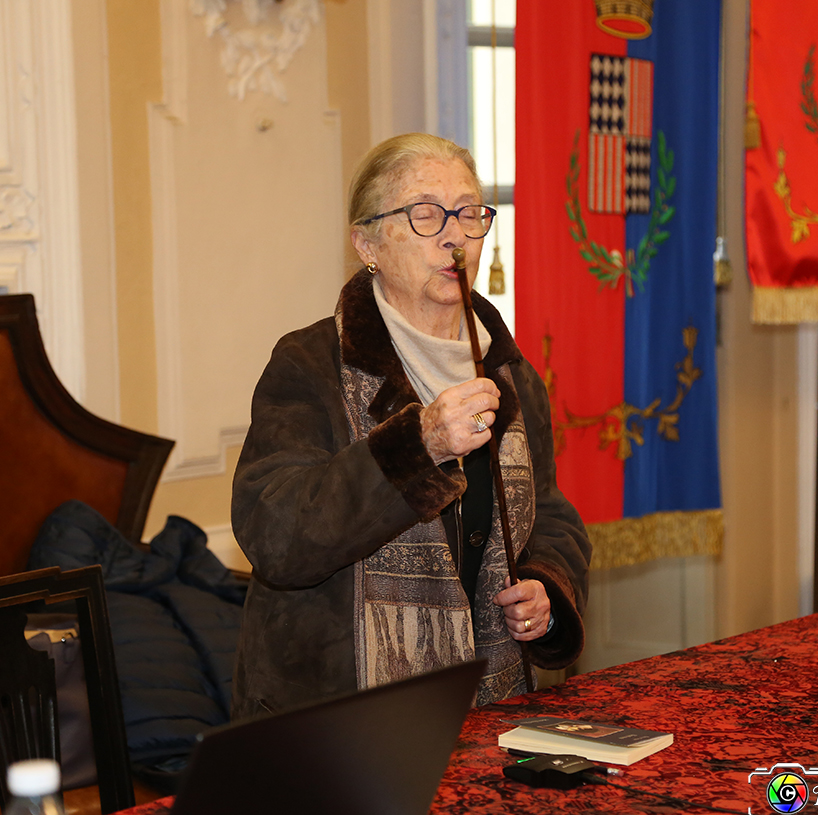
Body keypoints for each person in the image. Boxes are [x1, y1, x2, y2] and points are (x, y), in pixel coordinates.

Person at [231, 133, 591, 718]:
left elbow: (548, 512)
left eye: (470, 214)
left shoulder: (508, 369)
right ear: (366, 241)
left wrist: (545, 585)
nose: (455, 235)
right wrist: (416, 446)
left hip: (491, 707)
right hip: (334, 718)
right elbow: (276, 535)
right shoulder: (310, 364)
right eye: (426, 214)